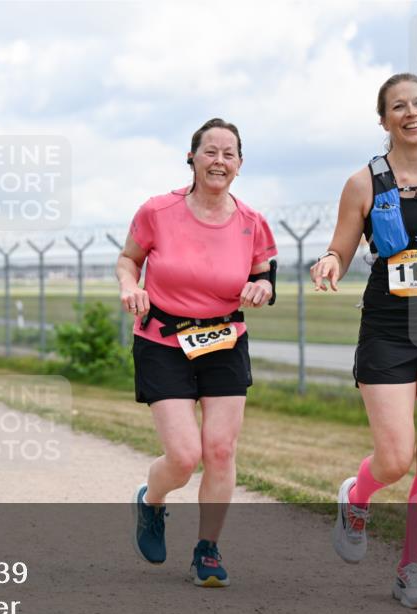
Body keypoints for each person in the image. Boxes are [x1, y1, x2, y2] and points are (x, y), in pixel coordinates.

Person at [311, 73, 417, 610]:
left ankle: (410, 570)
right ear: (383, 120)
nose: (412, 113)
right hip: (389, 328)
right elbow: (340, 245)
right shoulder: (365, 183)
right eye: (399, 106)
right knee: (396, 457)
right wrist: (331, 261)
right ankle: (355, 497)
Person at [116, 118, 277, 587]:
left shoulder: (252, 222)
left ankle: (207, 549)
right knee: (185, 456)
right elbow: (129, 260)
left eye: (229, 154)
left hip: (224, 339)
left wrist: (261, 289)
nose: (219, 161)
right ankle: (151, 502)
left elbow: (265, 276)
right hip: (162, 339)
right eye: (210, 151)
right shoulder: (157, 211)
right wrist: (131, 287)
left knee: (221, 450)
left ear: (240, 165)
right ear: (192, 157)